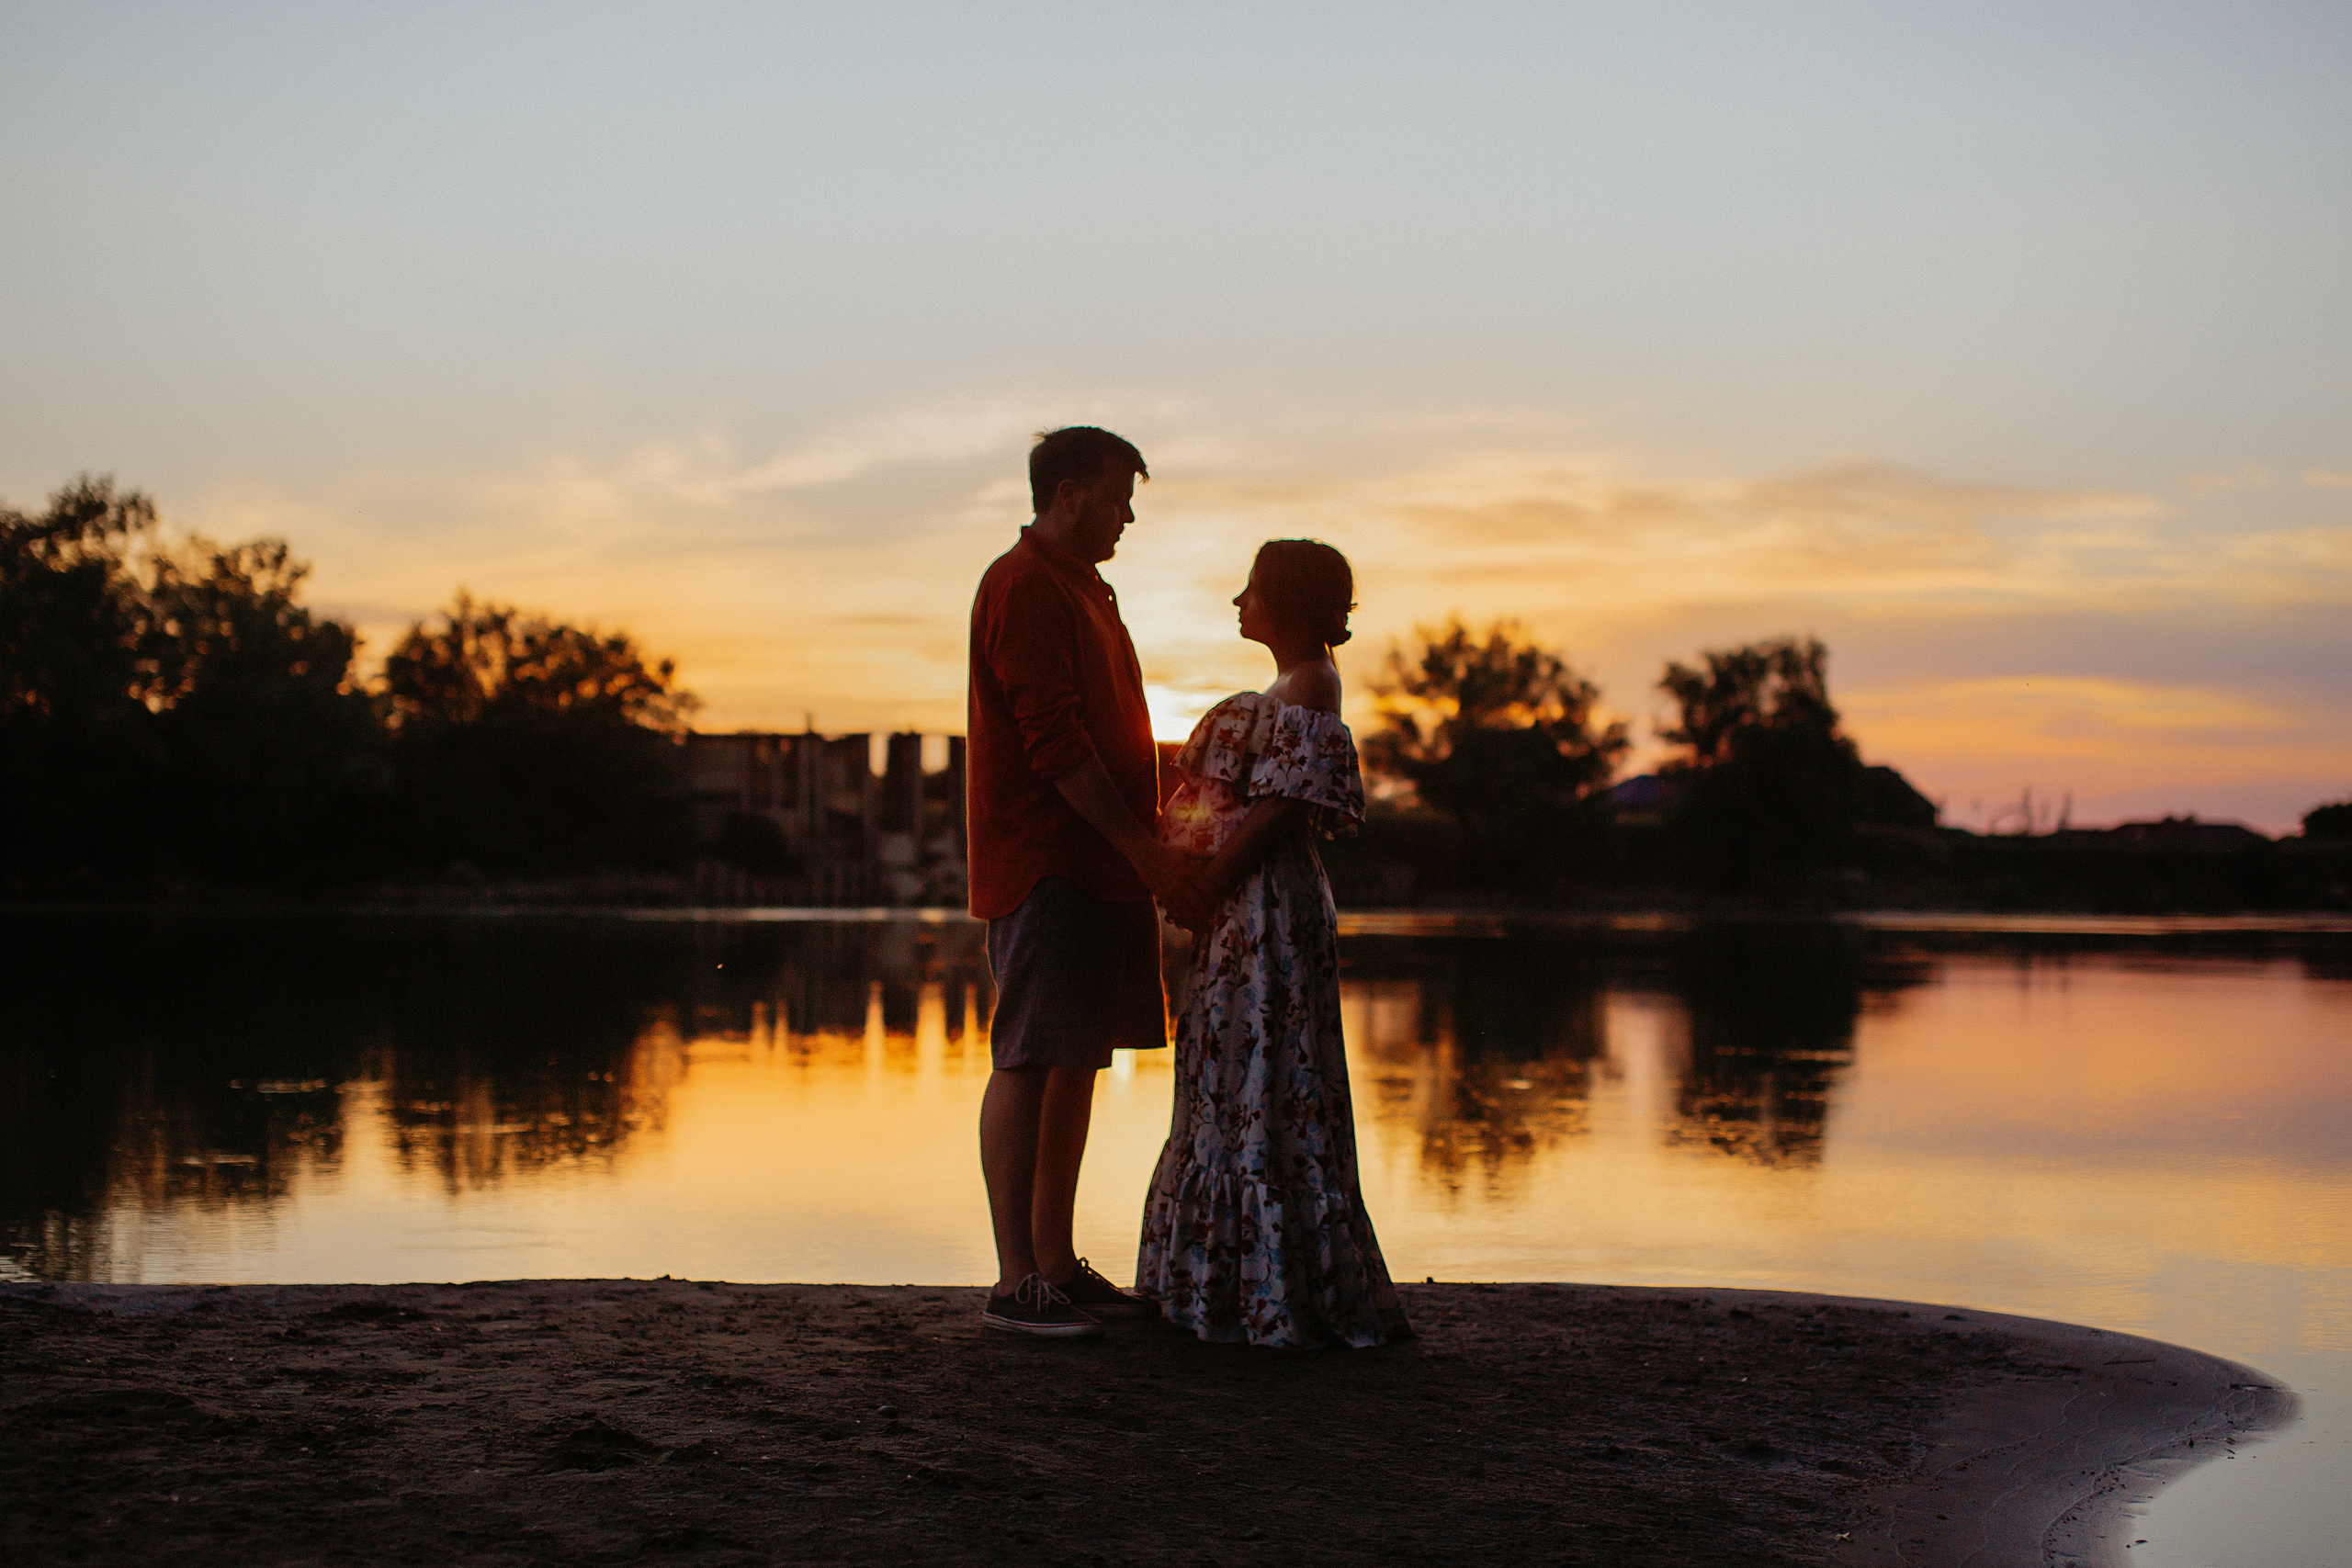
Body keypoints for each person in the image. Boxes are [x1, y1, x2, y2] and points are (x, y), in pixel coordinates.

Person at [967, 425, 1211, 1337]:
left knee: (1078, 1058)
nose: (1127, 518)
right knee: (1029, 1056)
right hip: (1047, 864)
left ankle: (1055, 1264)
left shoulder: (1084, 587)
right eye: (1117, 500)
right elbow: (1054, 741)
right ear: (1068, 495)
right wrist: (1145, 851)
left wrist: (1159, 836)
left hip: (1101, 867)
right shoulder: (1023, 584)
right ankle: (1013, 1281)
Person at [1136, 539, 1412, 1348]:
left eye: (1251, 588)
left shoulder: (1315, 680)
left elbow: (1282, 805)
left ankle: (1269, 1292)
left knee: (1268, 1071)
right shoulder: (1290, 683)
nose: (1238, 601)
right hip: (1246, 905)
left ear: (1285, 599)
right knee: (1232, 1072)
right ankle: (1226, 1287)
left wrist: (1209, 882)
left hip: (1268, 907)